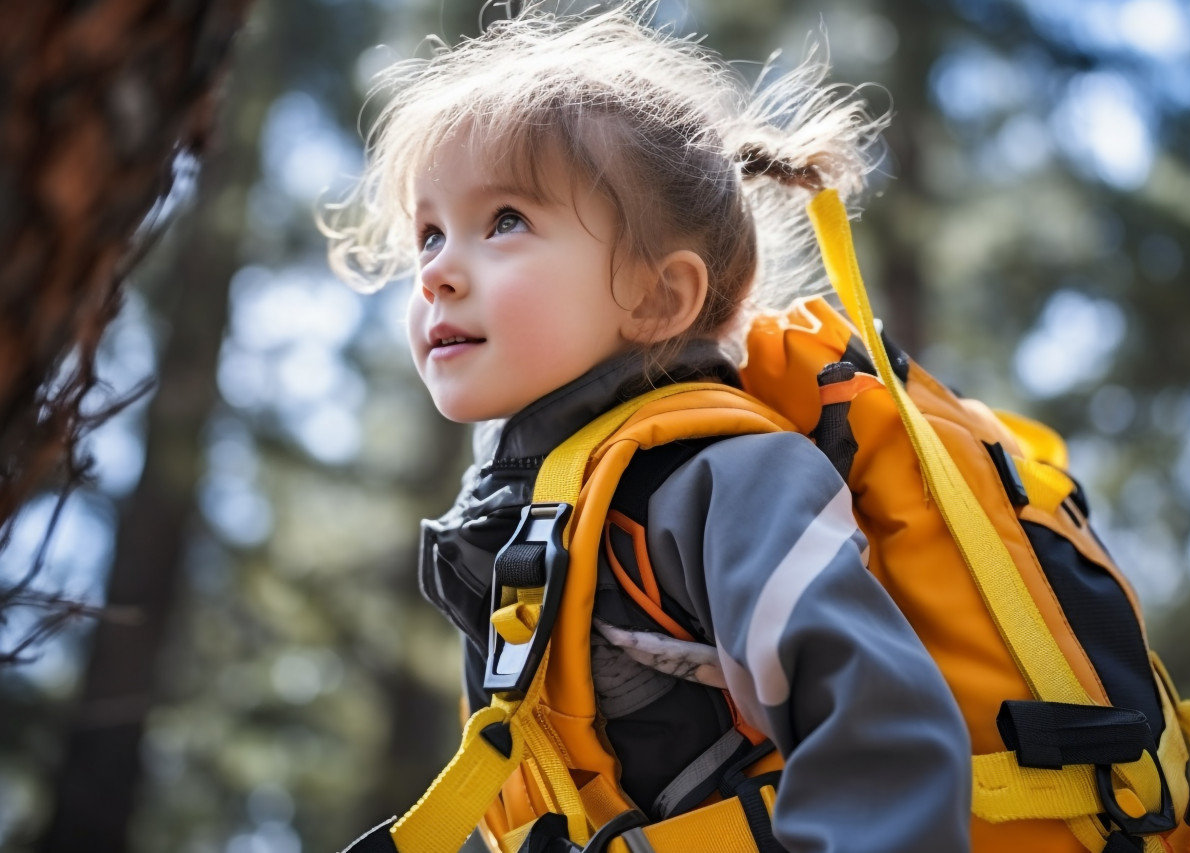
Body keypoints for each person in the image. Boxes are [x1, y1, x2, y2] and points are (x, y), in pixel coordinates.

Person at [326, 3, 971, 851]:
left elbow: (883, 736)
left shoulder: (731, 478)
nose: (439, 270)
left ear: (660, 295)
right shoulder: (538, 513)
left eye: (506, 221)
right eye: (430, 234)